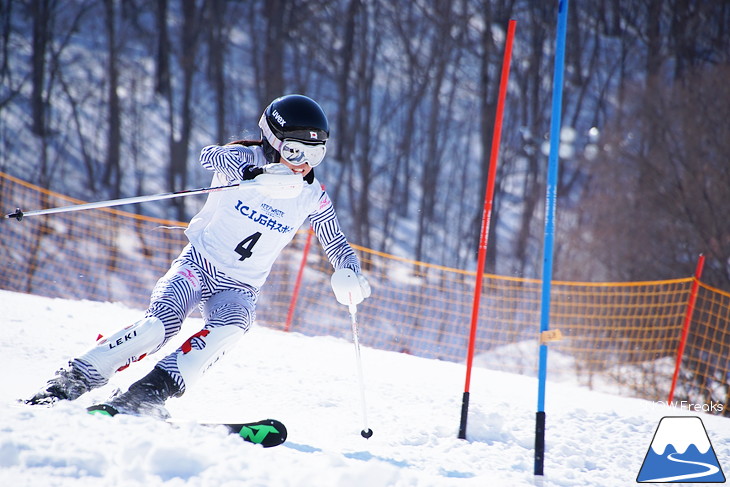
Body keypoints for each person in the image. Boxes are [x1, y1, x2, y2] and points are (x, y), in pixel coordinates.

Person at [27, 94, 371, 418]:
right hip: (198, 267)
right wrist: (254, 176)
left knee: (234, 326)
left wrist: (351, 273)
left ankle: (148, 393)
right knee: (158, 327)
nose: (303, 165)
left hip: (240, 288)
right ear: (271, 141)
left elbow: (336, 242)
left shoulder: (312, 194)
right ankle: (74, 378)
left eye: (315, 155)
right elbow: (211, 155)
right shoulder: (245, 158)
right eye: (295, 152)